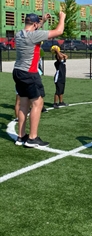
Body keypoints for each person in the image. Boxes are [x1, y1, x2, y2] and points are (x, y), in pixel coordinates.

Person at [13, 11, 66, 147]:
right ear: (35, 24)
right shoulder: (34, 35)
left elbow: (35, 28)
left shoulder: (19, 34)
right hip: (30, 73)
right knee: (37, 103)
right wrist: (62, 17)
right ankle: (32, 138)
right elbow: (59, 31)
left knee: (24, 104)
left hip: (18, 71)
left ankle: (21, 136)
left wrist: (43, 20)